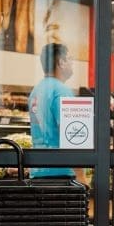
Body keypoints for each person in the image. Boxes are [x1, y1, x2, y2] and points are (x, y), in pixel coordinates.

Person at [28, 42, 78, 178]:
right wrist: (81, 175)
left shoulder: (36, 90)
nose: (72, 63)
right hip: (61, 171)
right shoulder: (62, 91)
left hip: (38, 169)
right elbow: (72, 135)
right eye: (70, 59)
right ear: (61, 62)